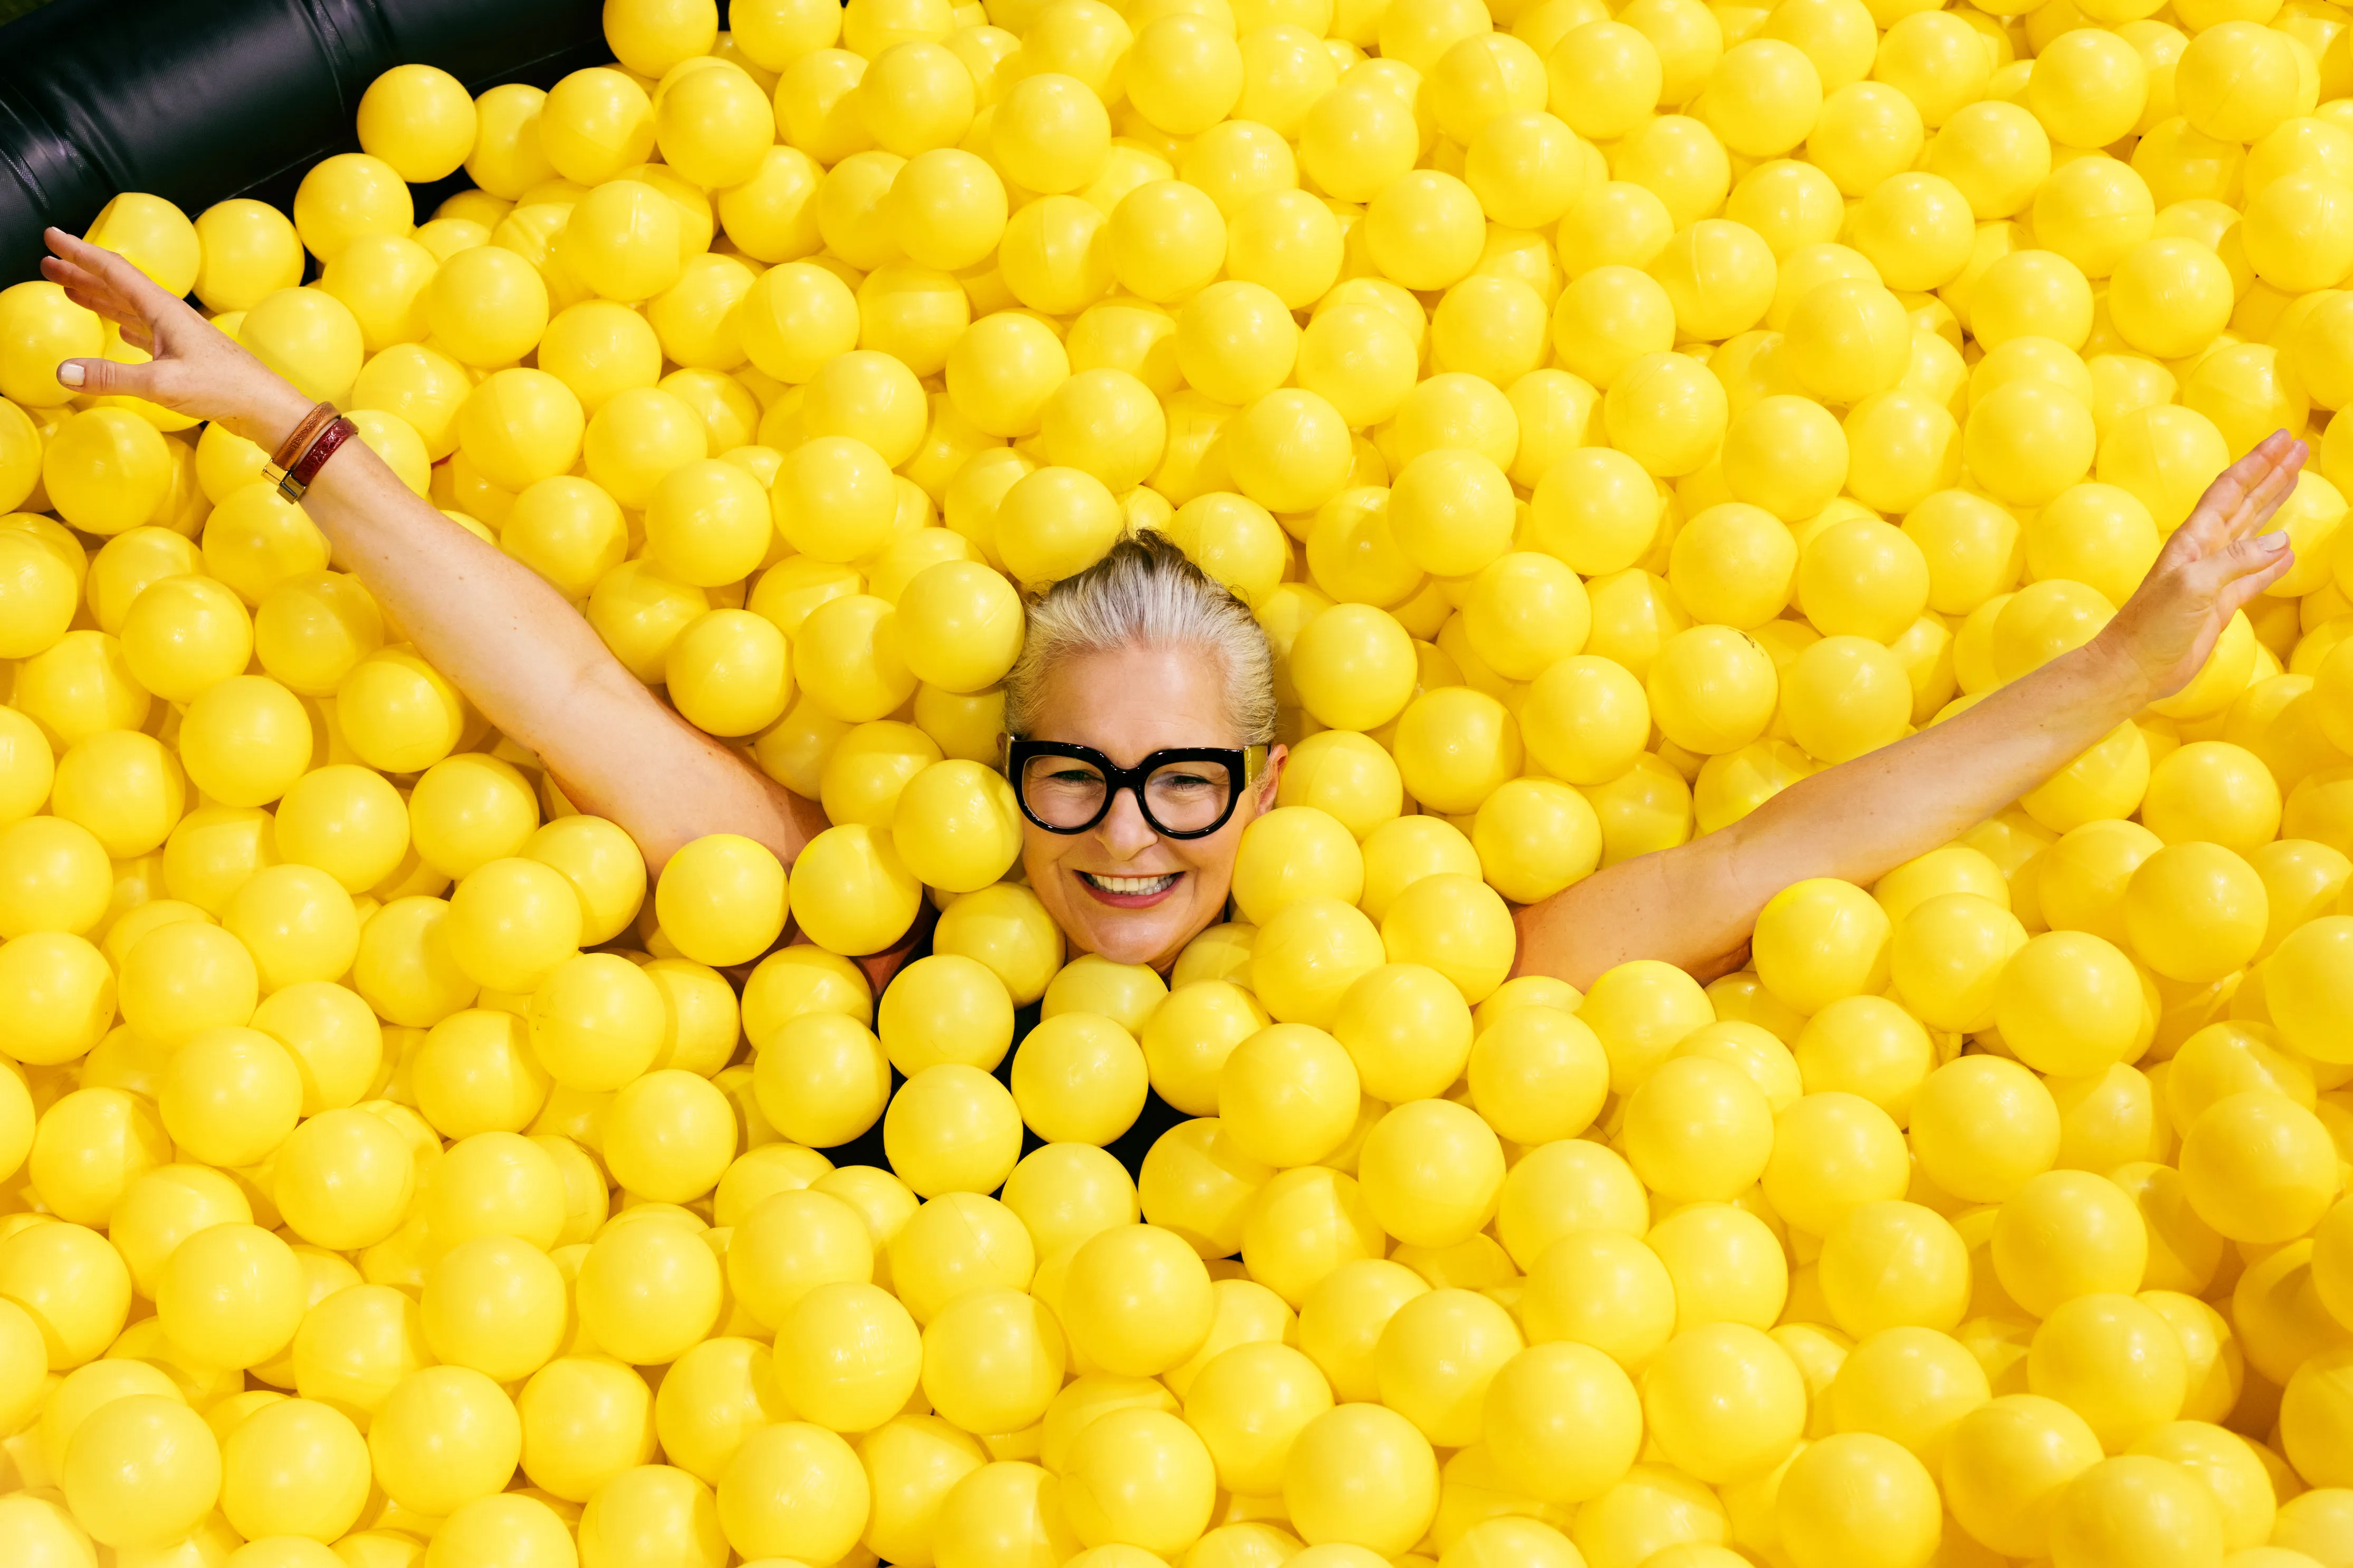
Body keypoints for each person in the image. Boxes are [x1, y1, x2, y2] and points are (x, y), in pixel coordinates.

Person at [39, 226, 2307, 997]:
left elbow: (1775, 851)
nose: (1126, 827)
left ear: (1272, 785)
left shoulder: (1449, 981)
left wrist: (2118, 669)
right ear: (1005, 769)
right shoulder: (868, 936)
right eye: (1079, 768)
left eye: (1179, 774)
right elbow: (562, 683)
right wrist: (302, 433)